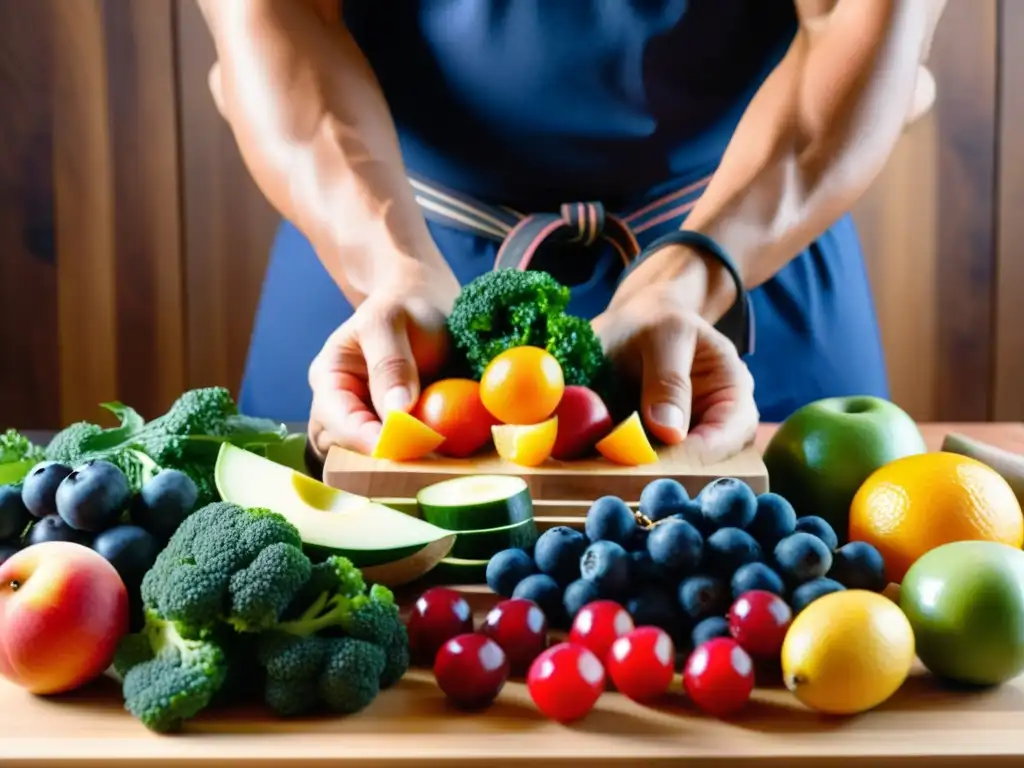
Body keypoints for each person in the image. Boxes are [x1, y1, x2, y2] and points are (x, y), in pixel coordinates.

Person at [197, 0, 946, 466]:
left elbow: (860, 20)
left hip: (743, 270)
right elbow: (274, 15)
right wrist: (391, 265)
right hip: (377, 265)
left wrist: (691, 277)